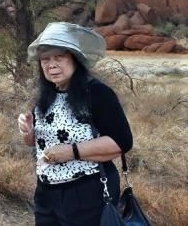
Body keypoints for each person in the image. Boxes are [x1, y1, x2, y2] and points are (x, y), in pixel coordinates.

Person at [17, 22, 133, 225]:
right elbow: (36, 143)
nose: (51, 64)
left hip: (88, 192)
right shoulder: (47, 95)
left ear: (75, 59)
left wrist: (70, 151)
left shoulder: (97, 93)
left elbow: (121, 142)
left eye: (58, 57)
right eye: (45, 59)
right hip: (46, 193)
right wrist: (28, 132)